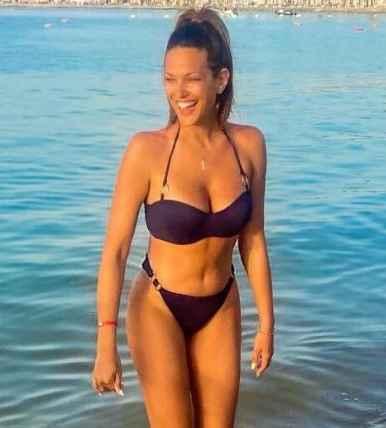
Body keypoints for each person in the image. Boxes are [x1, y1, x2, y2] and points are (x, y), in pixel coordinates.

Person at [91, 7, 275, 427]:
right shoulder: (146, 150)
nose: (179, 92)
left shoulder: (249, 146)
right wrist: (105, 341)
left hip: (220, 303)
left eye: (191, 78)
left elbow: (253, 240)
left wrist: (267, 324)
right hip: (158, 305)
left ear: (220, 79)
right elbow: (115, 251)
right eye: (169, 79)